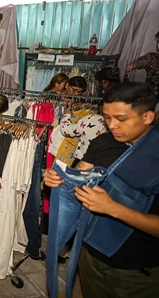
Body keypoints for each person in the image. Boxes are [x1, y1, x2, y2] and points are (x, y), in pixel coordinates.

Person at [44, 82, 159, 297]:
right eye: (106, 117)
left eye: (121, 119)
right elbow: (80, 176)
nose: (112, 125)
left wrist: (112, 208)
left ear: (147, 117)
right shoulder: (103, 141)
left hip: (136, 270)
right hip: (90, 255)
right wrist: (58, 179)